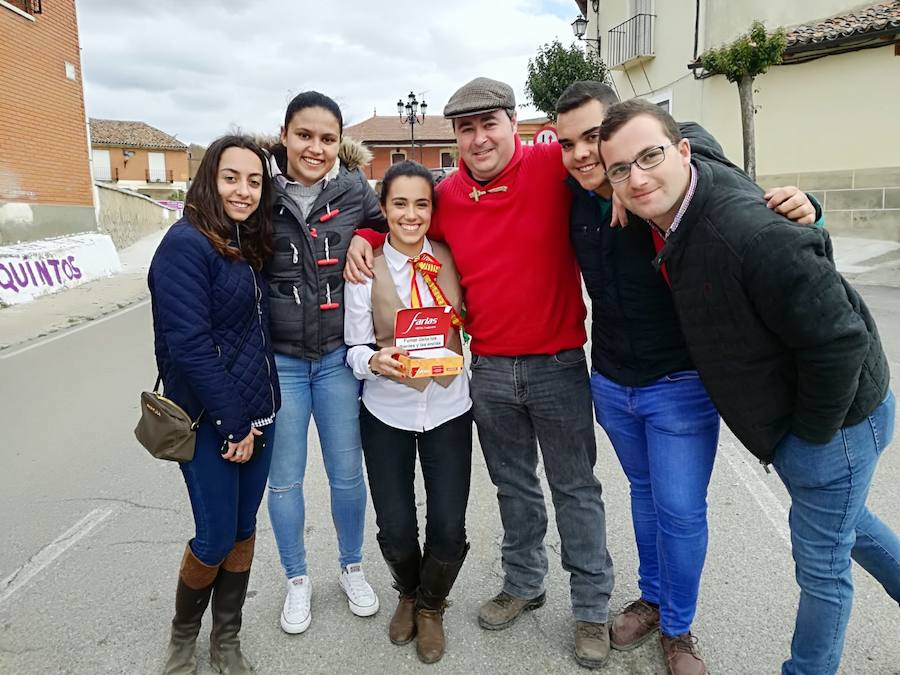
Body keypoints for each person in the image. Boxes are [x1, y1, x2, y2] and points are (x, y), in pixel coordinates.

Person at [598, 98, 898, 675]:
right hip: (814, 420)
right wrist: (631, 173)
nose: (637, 177)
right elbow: (688, 133)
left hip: (836, 426)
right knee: (849, 526)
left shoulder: (746, 230)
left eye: (650, 158)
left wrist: (809, 441)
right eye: (621, 168)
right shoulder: (678, 192)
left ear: (682, 153)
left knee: (822, 565)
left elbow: (840, 341)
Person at [347, 77, 615, 669]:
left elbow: (632, 148)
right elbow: (403, 225)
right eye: (465, 128)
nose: (478, 138)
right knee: (514, 487)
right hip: (488, 370)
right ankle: (524, 582)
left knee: (575, 489)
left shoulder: (552, 164)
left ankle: (592, 608)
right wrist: (365, 237)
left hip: (558, 362)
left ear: (513, 122)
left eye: (489, 123)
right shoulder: (446, 196)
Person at [555, 81, 819, 675]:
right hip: (612, 381)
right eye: (568, 143)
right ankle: (653, 597)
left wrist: (811, 207)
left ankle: (678, 628)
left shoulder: (661, 186)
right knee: (644, 497)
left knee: (680, 509)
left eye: (595, 137)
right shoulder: (575, 193)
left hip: (679, 382)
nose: (581, 154)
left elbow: (716, 172)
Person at [149, 134, 280, 675]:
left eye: (254, 181)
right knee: (215, 533)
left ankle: (227, 637)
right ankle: (184, 637)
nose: (243, 190)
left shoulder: (246, 241)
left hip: (259, 413)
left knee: (244, 529)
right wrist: (233, 425)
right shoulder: (186, 244)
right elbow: (190, 347)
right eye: (231, 178)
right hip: (210, 420)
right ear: (210, 179)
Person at [263, 91, 386, 635]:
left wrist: (364, 234)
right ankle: (296, 579)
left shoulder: (354, 188)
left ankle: (351, 566)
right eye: (305, 135)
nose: (315, 148)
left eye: (327, 139)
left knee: (346, 475)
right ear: (285, 135)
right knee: (284, 482)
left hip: (338, 358)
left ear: (341, 143)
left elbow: (386, 226)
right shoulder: (261, 192)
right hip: (281, 363)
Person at [344, 160, 473, 664]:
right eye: (400, 203)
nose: (411, 214)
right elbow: (354, 346)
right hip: (387, 411)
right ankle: (407, 591)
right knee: (395, 525)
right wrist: (373, 360)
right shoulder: (364, 267)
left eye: (422, 203)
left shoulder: (451, 257)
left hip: (447, 406)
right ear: (383, 209)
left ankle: (432, 606)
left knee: (448, 524)